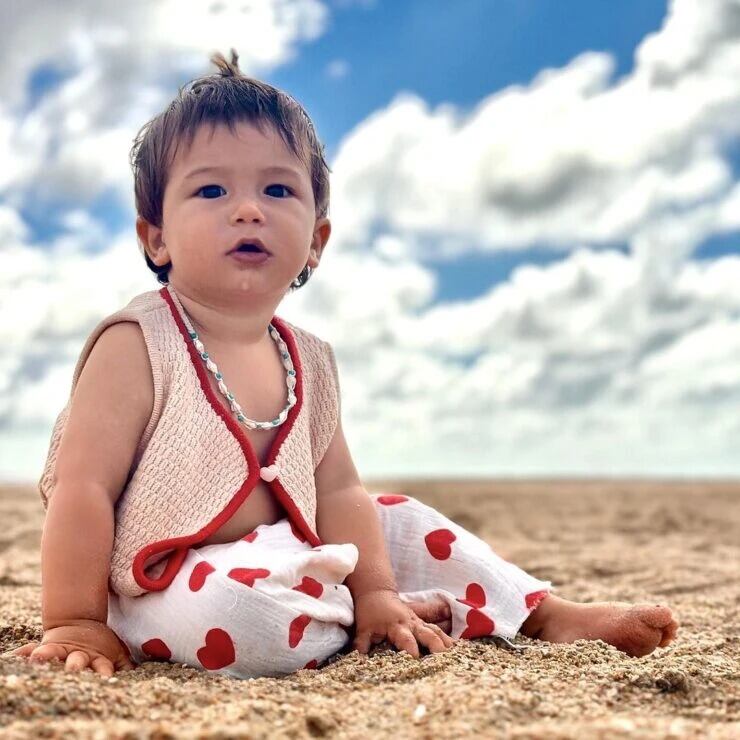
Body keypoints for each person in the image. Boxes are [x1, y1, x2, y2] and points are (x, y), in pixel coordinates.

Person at [2, 50, 678, 680]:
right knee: (247, 614)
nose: (247, 209)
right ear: (156, 236)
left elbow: (340, 494)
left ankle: (539, 614)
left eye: (278, 191)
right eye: (210, 193)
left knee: (402, 519)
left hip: (296, 551)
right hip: (163, 578)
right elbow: (82, 490)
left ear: (317, 240)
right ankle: (386, 611)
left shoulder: (311, 362)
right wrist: (77, 621)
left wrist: (376, 586)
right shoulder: (137, 343)